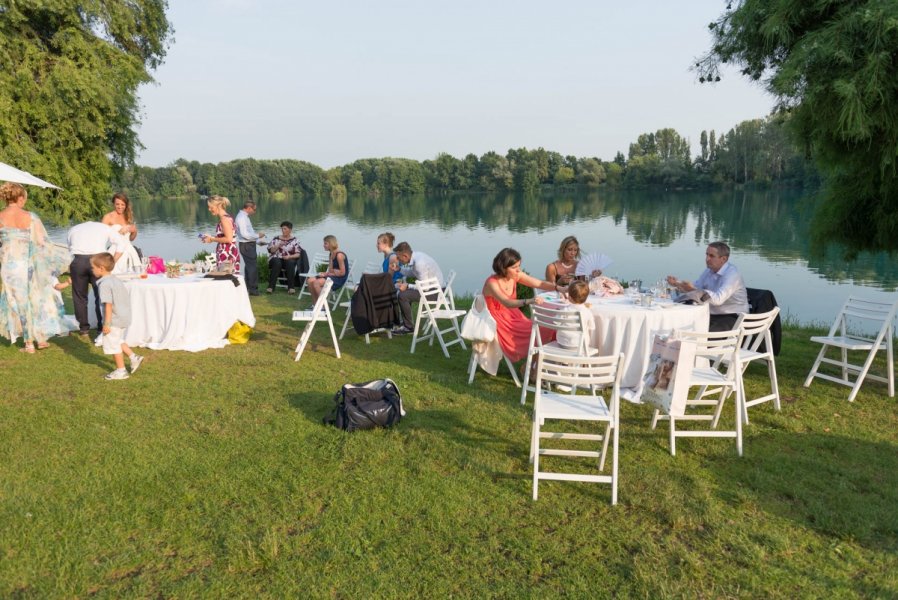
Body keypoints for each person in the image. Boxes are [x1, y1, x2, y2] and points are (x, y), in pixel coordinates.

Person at [0, 182, 72, 352]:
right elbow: (42, 242)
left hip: (10, 266)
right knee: (35, 299)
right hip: (28, 265)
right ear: (19, 198)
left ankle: (29, 343)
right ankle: (39, 338)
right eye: (24, 197)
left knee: (18, 302)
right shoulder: (31, 217)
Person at [482, 247, 560, 362]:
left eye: (519, 266)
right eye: (514, 267)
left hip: (513, 315)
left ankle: (533, 365)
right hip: (499, 321)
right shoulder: (492, 283)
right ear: (503, 268)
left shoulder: (515, 275)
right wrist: (530, 301)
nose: (518, 270)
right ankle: (532, 367)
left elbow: (539, 283)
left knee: (551, 329)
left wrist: (558, 288)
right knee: (540, 331)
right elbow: (506, 302)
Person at [667, 241, 749, 332]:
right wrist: (678, 284)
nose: (707, 259)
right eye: (706, 255)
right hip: (711, 314)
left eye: (711, 256)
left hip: (732, 316)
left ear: (724, 259)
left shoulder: (732, 275)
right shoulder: (709, 270)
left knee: (695, 334)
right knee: (677, 325)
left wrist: (693, 289)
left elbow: (718, 299)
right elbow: (697, 287)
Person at [90, 253, 143, 380]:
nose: (92, 270)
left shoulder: (104, 284)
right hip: (124, 316)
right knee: (118, 340)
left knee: (113, 345)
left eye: (93, 267)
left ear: (101, 268)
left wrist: (107, 324)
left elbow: (108, 305)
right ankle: (134, 357)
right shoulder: (115, 280)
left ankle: (121, 371)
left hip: (114, 319)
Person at [67, 221, 124, 337]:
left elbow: (69, 248)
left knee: (79, 296)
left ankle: (84, 329)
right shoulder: (105, 227)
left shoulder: (74, 228)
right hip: (98, 261)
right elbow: (121, 242)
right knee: (102, 296)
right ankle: (101, 327)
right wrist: (112, 261)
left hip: (78, 261)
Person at [392, 241, 445, 335]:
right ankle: (406, 322)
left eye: (398, 257)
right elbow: (413, 273)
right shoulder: (416, 257)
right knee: (405, 293)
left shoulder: (419, 263)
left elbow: (425, 288)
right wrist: (399, 269)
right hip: (434, 288)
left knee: (402, 295)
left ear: (405, 256)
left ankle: (408, 327)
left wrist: (408, 285)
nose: (398, 260)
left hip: (436, 293)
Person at [101, 192, 141, 274]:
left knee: (133, 276)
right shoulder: (108, 217)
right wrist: (119, 232)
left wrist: (134, 231)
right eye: (117, 204)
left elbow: (131, 238)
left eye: (122, 204)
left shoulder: (128, 216)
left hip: (129, 250)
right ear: (113, 204)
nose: (120, 207)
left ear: (126, 205)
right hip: (115, 251)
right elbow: (102, 237)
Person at [201, 195, 240, 274]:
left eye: (211, 207)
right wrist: (211, 238)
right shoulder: (227, 217)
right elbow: (225, 236)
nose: (209, 209)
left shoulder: (224, 219)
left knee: (226, 280)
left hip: (227, 254)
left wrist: (212, 239)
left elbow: (228, 239)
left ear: (218, 206)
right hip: (228, 252)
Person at [554, 280, 596, 350]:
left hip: (562, 343)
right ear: (586, 299)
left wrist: (557, 312)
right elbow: (592, 327)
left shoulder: (564, 310)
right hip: (580, 345)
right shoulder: (587, 312)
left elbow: (555, 322)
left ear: (569, 298)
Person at [235, 200, 265, 295]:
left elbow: (250, 232)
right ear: (248, 208)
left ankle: (248, 287)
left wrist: (257, 241)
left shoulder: (245, 217)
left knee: (249, 267)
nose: (255, 211)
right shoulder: (241, 218)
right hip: (246, 245)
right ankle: (253, 289)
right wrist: (258, 236)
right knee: (252, 267)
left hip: (249, 244)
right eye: (254, 209)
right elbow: (244, 234)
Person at [308, 235, 348, 304]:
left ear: (331, 243)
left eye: (325, 243)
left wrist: (330, 273)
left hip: (339, 279)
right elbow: (331, 270)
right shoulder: (331, 254)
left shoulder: (339, 255)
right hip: (333, 276)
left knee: (316, 283)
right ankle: (315, 304)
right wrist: (328, 273)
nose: (323, 245)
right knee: (309, 280)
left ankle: (322, 306)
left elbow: (342, 273)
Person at [266, 221, 302, 294]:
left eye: (285, 229)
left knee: (291, 262)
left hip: (288, 259)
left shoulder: (295, 240)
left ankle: (291, 288)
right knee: (277, 262)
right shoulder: (276, 239)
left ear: (290, 230)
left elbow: (298, 254)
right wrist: (278, 245)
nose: (283, 231)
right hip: (275, 258)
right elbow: (271, 251)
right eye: (282, 229)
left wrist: (289, 257)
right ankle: (271, 287)